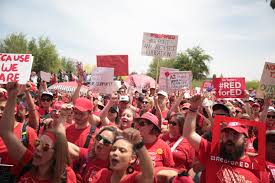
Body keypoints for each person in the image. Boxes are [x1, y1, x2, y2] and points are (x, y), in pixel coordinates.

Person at [0, 82, 76, 183]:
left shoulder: (65, 177)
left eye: (45, 147)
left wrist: (63, 117)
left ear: (57, 154)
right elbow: (6, 131)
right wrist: (12, 94)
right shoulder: (30, 163)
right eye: (37, 143)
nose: (38, 149)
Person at [183, 94, 266, 182]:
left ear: (245, 141)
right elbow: (189, 133)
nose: (229, 138)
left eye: (235, 134)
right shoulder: (212, 151)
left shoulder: (257, 166)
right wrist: (193, 108)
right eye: (226, 133)